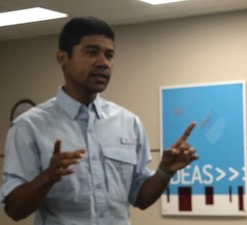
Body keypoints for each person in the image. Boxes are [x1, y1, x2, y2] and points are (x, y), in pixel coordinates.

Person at [0, 17, 198, 225]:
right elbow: (14, 209)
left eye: (109, 55)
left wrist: (165, 172)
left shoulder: (128, 122)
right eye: (91, 52)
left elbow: (140, 198)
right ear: (62, 57)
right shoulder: (30, 126)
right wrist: (47, 177)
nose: (103, 63)